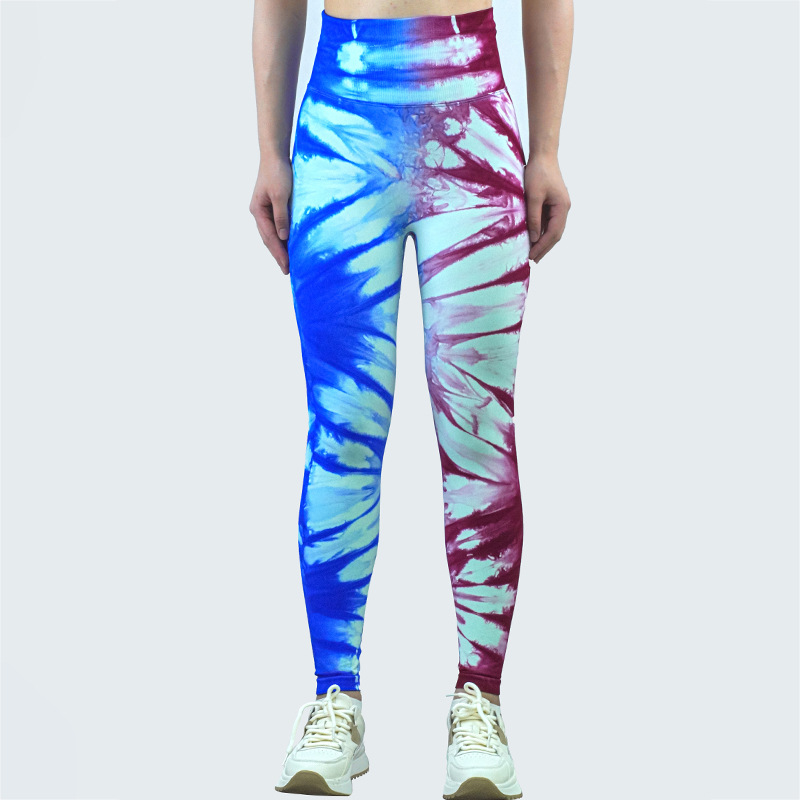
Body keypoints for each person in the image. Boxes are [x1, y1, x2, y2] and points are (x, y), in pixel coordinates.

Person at [250, 0, 572, 796]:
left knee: (477, 427)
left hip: (474, 113)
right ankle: (336, 697)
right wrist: (269, 153)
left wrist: (548, 149)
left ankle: (480, 700)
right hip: (341, 120)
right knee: (342, 424)